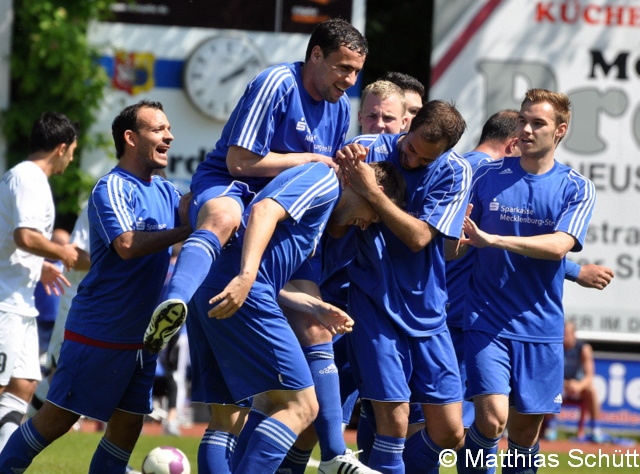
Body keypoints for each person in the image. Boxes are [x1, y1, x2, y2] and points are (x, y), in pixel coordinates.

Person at [144, 17, 368, 353]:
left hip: (280, 213)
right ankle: (171, 306)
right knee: (223, 218)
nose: (349, 81)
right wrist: (308, 158)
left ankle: (320, 407)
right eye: (343, 68)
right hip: (232, 185)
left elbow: (320, 182)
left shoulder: (339, 110)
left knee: (317, 329)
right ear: (317, 55)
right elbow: (239, 163)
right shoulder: (277, 82)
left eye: (356, 72)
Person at [0, 100, 191, 474]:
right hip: (99, 332)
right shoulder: (112, 186)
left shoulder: (167, 193)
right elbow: (127, 245)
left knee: (126, 428)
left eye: (169, 128)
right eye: (158, 129)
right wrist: (187, 229)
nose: (168, 135)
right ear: (131, 138)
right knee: (55, 420)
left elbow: (194, 217)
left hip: (143, 338)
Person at [186, 159, 405, 474]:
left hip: (212, 284)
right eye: (375, 214)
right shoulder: (325, 180)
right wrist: (247, 276)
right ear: (371, 190)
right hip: (243, 290)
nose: (368, 223)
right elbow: (263, 211)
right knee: (300, 406)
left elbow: (273, 274)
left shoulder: (316, 217)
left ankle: (332, 457)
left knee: (226, 417)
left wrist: (314, 306)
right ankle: (333, 457)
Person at [461, 88, 596, 474]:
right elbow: (457, 245)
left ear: (560, 131)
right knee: (491, 420)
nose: (526, 129)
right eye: (522, 120)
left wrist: (493, 240)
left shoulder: (576, 187)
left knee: (524, 436)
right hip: (486, 320)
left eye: (538, 123)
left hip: (541, 329)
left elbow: (558, 247)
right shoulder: (485, 176)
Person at [337, 99, 472, 473]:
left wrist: (374, 193)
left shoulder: (456, 172)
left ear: (445, 153)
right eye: (410, 149)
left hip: (428, 309)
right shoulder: (368, 148)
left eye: (425, 160)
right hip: (373, 303)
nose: (411, 161)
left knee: (450, 432)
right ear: (408, 125)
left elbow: (419, 239)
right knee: (393, 424)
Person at [0, 112, 80, 451]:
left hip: (19, 301)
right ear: (61, 148)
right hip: (5, 302)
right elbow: (25, 236)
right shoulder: (30, 177)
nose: (74, 157)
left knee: (25, 384)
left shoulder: (22, 176)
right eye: (73, 150)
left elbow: (16, 239)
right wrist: (63, 253)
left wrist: (41, 263)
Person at [544, 320, 610, 443]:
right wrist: (564, 384)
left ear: (574, 334)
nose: (564, 337)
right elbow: (549, 374)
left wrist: (578, 385)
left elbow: (589, 376)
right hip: (560, 386)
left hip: (577, 387)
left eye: (567, 334)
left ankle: (595, 430)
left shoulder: (583, 348)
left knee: (591, 390)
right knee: (548, 389)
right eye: (562, 333)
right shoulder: (555, 347)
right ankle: (551, 427)